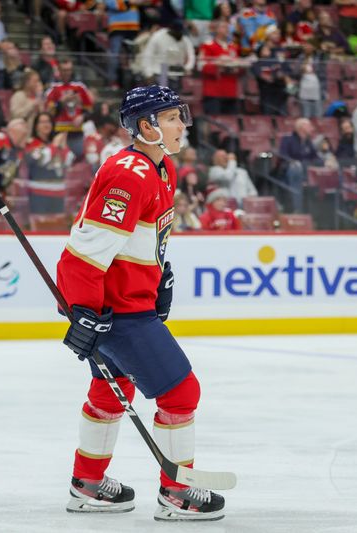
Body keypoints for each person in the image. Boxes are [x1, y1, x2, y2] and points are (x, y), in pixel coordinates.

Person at [56, 85, 225, 520]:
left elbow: (137, 240)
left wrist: (157, 276)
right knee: (181, 392)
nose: (181, 125)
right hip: (117, 313)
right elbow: (84, 253)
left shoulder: (161, 167)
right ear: (146, 126)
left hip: (130, 302)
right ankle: (178, 493)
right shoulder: (129, 174)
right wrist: (84, 313)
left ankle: (88, 484)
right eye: (171, 118)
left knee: (111, 392)